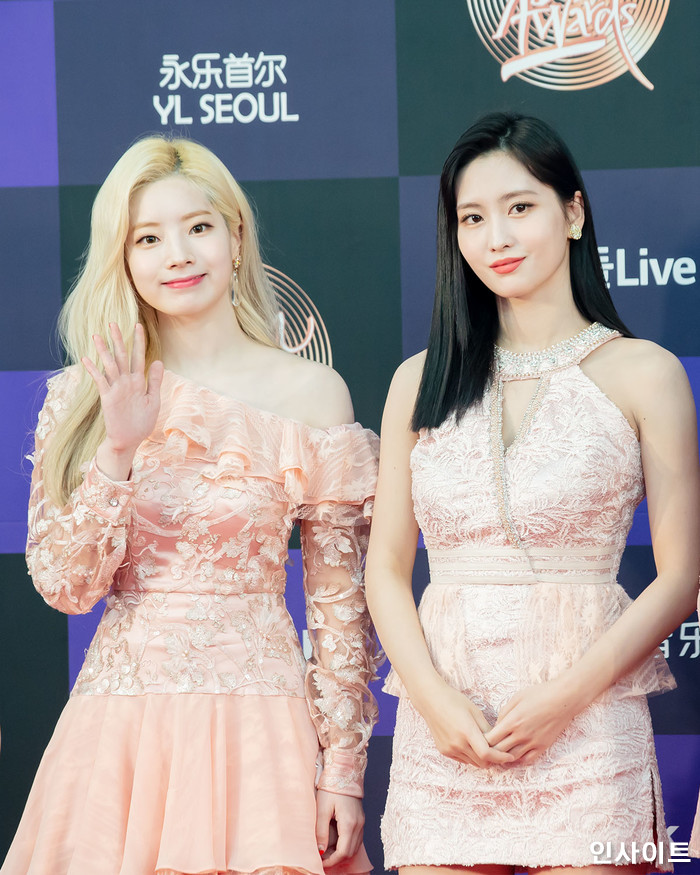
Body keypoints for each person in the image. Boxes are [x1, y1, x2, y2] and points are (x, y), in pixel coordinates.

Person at [2, 136, 380, 875]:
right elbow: (65, 586)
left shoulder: (312, 394)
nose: (177, 255)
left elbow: (339, 606)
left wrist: (342, 769)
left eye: (198, 227)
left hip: (260, 723)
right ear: (122, 257)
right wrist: (117, 449)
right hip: (121, 734)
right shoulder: (83, 394)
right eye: (148, 238)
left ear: (235, 237)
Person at [365, 112, 700, 873]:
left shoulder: (645, 373)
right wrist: (430, 698)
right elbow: (385, 569)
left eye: (520, 207)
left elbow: (681, 577)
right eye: (473, 218)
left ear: (573, 212)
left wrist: (566, 697)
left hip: (589, 719)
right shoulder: (418, 382)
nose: (498, 237)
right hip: (446, 727)